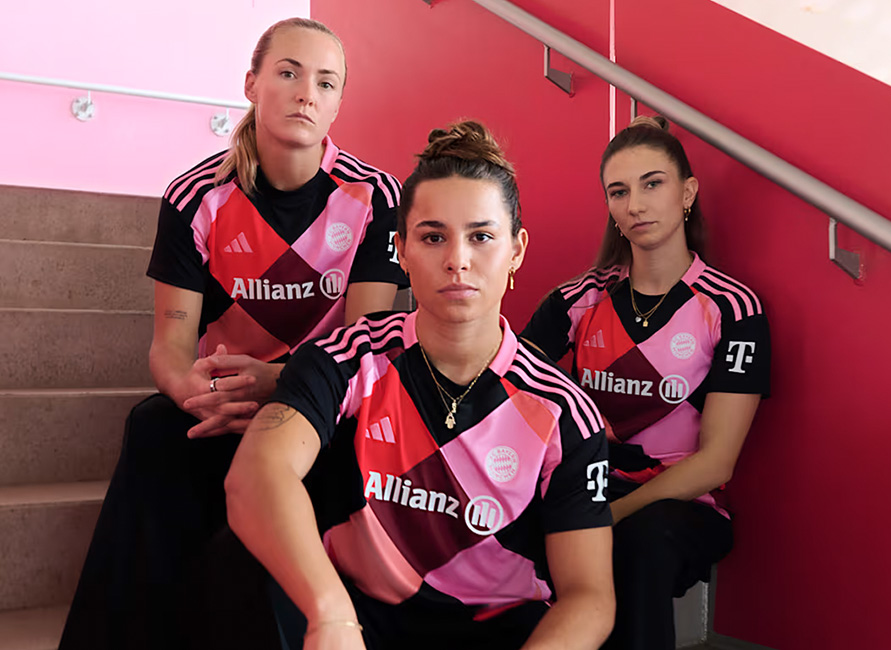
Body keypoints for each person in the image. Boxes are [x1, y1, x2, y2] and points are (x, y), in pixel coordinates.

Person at [59, 18, 407, 650]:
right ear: (251, 84)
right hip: (221, 402)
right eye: (288, 73)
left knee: (356, 450)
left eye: (325, 83)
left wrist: (283, 384)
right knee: (153, 428)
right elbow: (170, 347)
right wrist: (197, 392)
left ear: (337, 103)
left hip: (320, 406)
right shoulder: (196, 196)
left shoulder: (375, 196)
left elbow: (365, 348)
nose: (306, 93)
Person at [225, 120, 616, 650]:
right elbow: (256, 475)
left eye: (481, 237)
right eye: (434, 237)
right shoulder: (349, 358)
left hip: (496, 630)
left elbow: (589, 596)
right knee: (240, 565)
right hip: (359, 620)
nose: (458, 260)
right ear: (402, 251)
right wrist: (330, 616)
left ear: (517, 251)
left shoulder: (563, 411)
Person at [521, 115, 770, 650]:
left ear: (687, 193)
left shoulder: (732, 308)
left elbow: (717, 462)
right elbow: (511, 404)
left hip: (681, 505)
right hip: (586, 487)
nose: (635, 204)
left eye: (652, 184)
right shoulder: (576, 301)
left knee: (637, 544)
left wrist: (607, 515)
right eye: (619, 191)